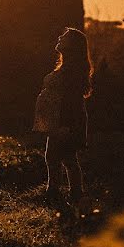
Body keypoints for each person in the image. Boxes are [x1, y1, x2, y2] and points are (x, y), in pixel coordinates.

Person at [33, 28, 93, 210]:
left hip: (65, 121)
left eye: (64, 37)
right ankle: (63, 191)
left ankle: (66, 192)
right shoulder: (65, 68)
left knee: (65, 157)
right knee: (56, 156)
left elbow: (71, 102)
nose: (59, 37)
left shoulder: (72, 73)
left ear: (72, 46)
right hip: (58, 120)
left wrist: (65, 125)